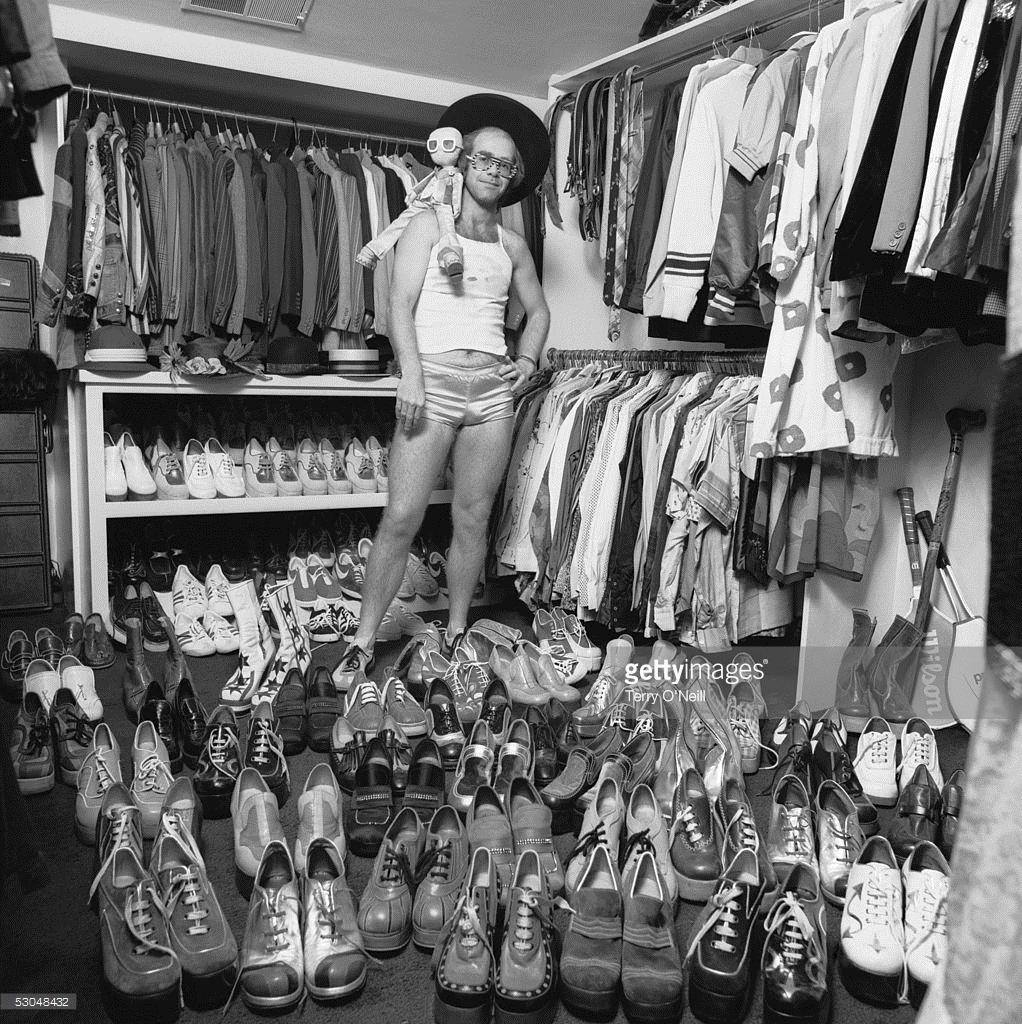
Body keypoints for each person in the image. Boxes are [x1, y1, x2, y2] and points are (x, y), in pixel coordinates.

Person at [333, 94, 551, 689]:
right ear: (461, 160)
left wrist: (527, 359)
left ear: (514, 179)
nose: (493, 170)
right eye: (484, 158)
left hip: (491, 394)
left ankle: (456, 634)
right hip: (431, 383)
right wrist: (411, 374)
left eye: (505, 166)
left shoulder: (513, 248)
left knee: (473, 519)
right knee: (401, 517)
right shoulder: (427, 224)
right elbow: (399, 307)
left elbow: (537, 311)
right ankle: (361, 640)